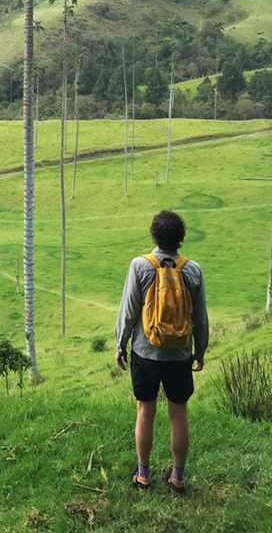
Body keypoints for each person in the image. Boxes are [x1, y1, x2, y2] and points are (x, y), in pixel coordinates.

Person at [115, 209, 209, 494]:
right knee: (178, 413)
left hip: (145, 353)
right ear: (180, 238)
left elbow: (129, 310)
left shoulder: (140, 266)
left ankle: (143, 475)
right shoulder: (192, 270)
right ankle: (177, 478)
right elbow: (200, 318)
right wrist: (200, 350)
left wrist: (121, 344)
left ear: (154, 235)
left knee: (145, 410)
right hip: (180, 355)